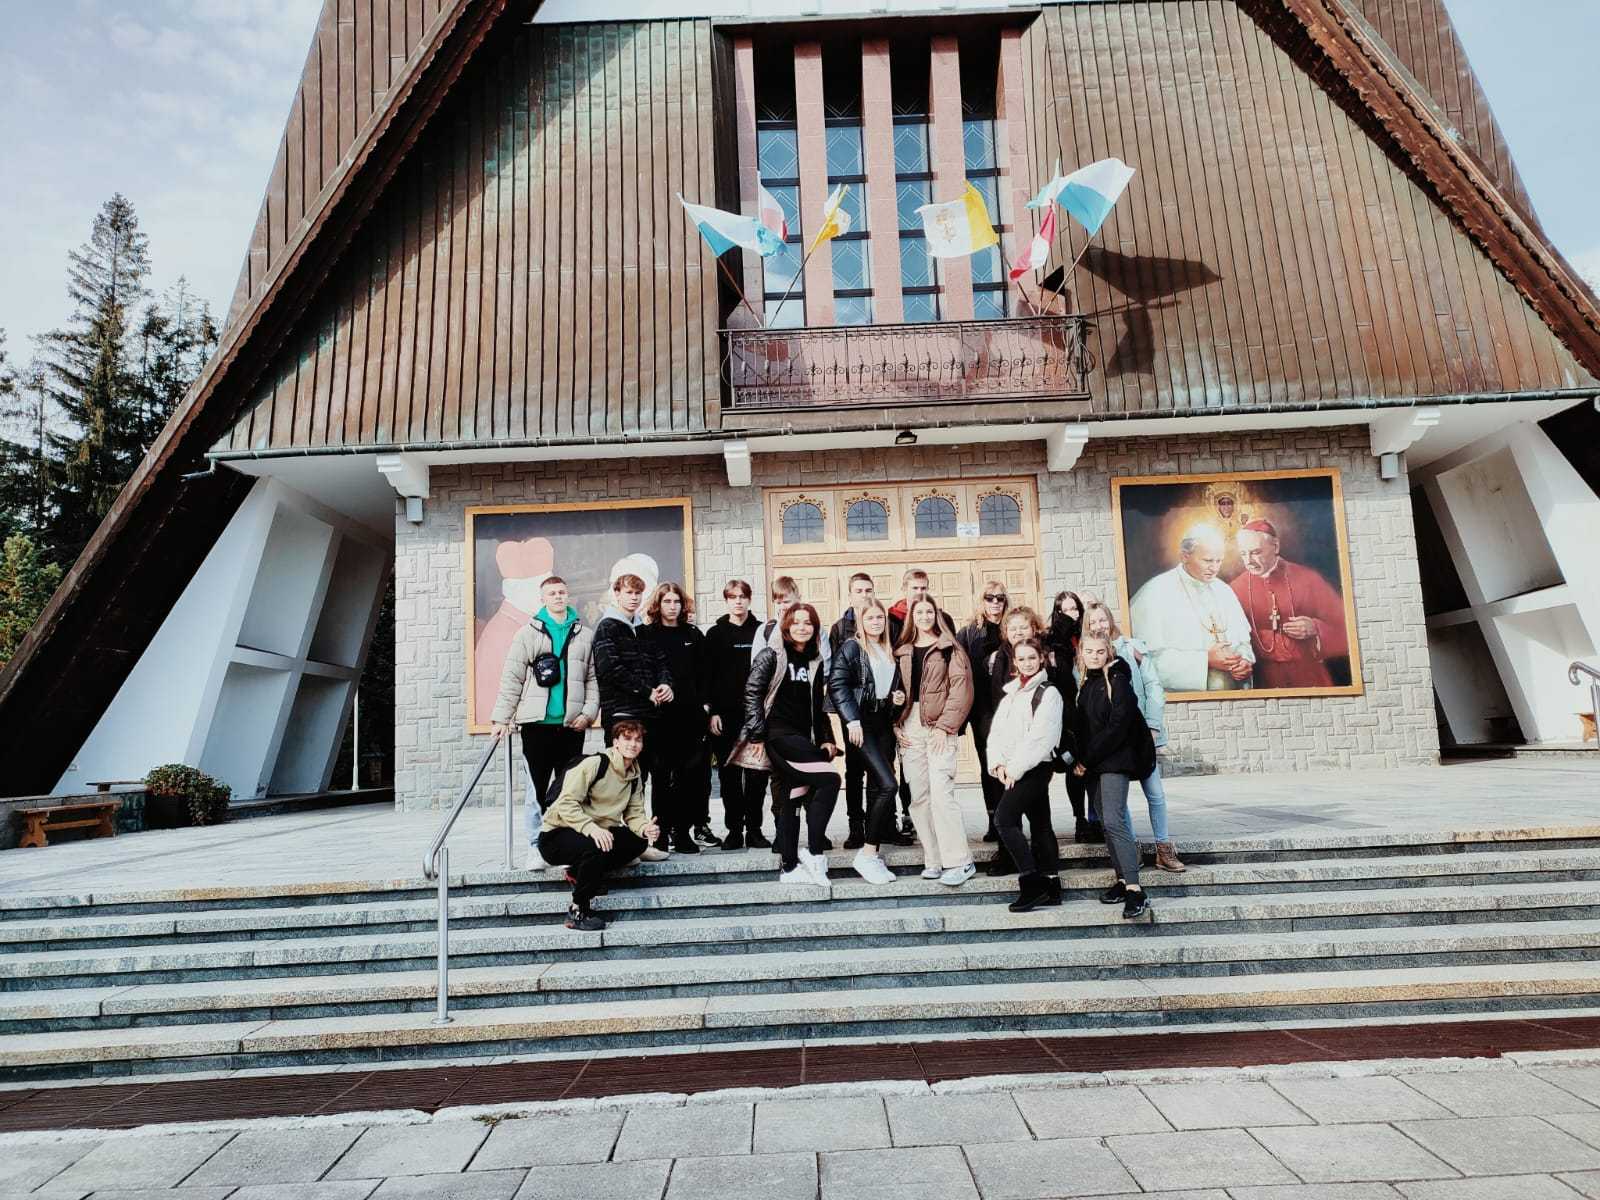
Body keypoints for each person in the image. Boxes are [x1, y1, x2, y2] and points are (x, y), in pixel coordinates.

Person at [489, 575, 599, 871]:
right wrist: (501, 718)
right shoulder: (527, 633)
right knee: (536, 789)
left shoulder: (585, 635)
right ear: (543, 598)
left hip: (571, 725)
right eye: (552, 593)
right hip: (536, 725)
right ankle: (535, 846)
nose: (558, 597)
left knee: (568, 790)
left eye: (562, 592)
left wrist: (588, 714)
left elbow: (593, 679)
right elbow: (512, 677)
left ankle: (561, 847)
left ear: (568, 595)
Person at [741, 603, 842, 887]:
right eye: (796, 622)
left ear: (815, 628)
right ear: (786, 626)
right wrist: (757, 735)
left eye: (808, 623)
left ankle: (789, 867)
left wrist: (827, 738)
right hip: (778, 735)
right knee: (830, 779)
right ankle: (814, 853)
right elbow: (752, 693)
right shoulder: (772, 655)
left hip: (802, 736)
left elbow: (817, 706)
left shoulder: (815, 660)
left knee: (793, 796)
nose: (802, 627)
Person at [1083, 602, 1184, 873]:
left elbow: (1153, 687)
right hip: (1114, 743)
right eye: (1093, 622)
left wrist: (1153, 725)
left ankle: (1163, 847)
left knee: (1155, 793)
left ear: (1110, 620)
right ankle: (1131, 847)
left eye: (1102, 620)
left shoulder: (1131, 649)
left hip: (1140, 734)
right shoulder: (1088, 655)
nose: (1099, 625)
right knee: (1119, 800)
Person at [537, 719, 657, 931]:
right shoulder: (595, 764)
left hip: (596, 833)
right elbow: (566, 803)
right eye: (627, 739)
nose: (633, 744)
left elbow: (634, 814)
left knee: (637, 842)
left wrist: (644, 828)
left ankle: (579, 872)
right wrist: (592, 829)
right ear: (616, 742)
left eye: (638, 740)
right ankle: (578, 910)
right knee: (595, 846)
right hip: (557, 835)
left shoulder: (634, 775)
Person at [1073, 634, 1157, 920]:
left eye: (1100, 651)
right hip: (1094, 764)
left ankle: (1135, 889)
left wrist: (1086, 759)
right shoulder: (1087, 683)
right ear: (1081, 653)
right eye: (1089, 651)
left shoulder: (1117, 678)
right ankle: (1122, 880)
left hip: (1114, 761)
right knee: (1105, 823)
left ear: (1108, 652)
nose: (1094, 656)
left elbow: (1118, 725)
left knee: (1114, 820)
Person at [591, 573, 674, 861]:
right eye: (628, 592)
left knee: (660, 777)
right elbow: (610, 669)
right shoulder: (607, 628)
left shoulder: (645, 630)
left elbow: (661, 663)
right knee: (623, 781)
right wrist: (646, 691)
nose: (634, 598)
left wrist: (666, 685)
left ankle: (657, 841)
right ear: (617, 594)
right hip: (622, 715)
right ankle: (626, 845)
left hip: (652, 717)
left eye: (638, 593)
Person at [895, 597, 976, 886]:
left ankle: (960, 861)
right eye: (919, 612)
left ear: (936, 614)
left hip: (940, 725)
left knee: (942, 794)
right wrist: (895, 723)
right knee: (919, 797)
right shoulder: (902, 650)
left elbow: (962, 690)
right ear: (911, 616)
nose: (924, 616)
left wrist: (945, 727)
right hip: (910, 727)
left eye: (929, 611)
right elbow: (894, 690)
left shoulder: (950, 648)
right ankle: (934, 859)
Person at [985, 636, 1065, 912]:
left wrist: (1014, 769)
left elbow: (1040, 738)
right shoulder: (1012, 693)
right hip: (1011, 769)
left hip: (1034, 767)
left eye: (1032, 657)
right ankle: (1052, 886)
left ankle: (1032, 884)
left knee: (1004, 819)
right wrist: (998, 764)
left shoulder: (1049, 693)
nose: (1027, 663)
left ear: (1041, 658)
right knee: (1041, 823)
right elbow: (996, 733)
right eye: (1021, 659)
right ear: (1014, 663)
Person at [828, 599, 902, 885]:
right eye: (870, 618)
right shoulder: (852, 647)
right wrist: (851, 720)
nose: (876, 622)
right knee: (889, 784)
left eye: (880, 617)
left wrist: (896, 700)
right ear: (861, 621)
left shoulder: (888, 648)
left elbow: (887, 686)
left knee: (877, 788)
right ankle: (867, 853)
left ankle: (873, 852)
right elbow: (837, 684)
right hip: (862, 723)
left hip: (883, 722)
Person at [1128, 524, 1255, 691]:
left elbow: (1243, 642)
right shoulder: (1155, 592)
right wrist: (1205, 660)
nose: (1214, 568)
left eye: (1219, 561)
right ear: (1185, 556)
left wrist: (1244, 661)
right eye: (1208, 561)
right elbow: (1145, 660)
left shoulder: (1224, 591)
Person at [1230, 519, 1350, 689]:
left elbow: (1347, 629)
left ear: (1275, 547)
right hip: (1261, 679)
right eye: (1243, 554)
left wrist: (1316, 628)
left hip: (1308, 675)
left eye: (1256, 552)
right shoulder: (1235, 588)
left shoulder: (1308, 579)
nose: (1248, 561)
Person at [641, 583, 713, 855]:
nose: (672, 606)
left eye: (676, 602)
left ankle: (682, 833)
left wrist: (705, 705)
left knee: (687, 777)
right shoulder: (646, 634)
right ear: (658, 604)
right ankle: (660, 835)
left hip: (690, 717)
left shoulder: (693, 634)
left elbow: (706, 674)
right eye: (667, 601)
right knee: (660, 777)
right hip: (659, 718)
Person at [705, 580, 770, 849]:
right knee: (729, 776)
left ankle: (754, 830)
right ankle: (734, 830)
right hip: (726, 716)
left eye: (742, 596)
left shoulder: (762, 631)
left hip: (756, 715)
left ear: (749, 599)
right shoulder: (715, 634)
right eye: (733, 597)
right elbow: (707, 677)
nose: (738, 601)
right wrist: (713, 712)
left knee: (757, 776)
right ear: (726, 601)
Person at [829, 572, 880, 850]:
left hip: (879, 712)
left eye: (868, 590)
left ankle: (880, 824)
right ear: (850, 595)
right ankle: (855, 827)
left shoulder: (883, 622)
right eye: (858, 591)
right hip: (853, 713)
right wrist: (848, 716)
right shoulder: (840, 628)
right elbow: (836, 675)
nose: (864, 595)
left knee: (880, 769)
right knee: (854, 769)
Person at [957, 581, 1010, 846]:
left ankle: (1010, 819)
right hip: (982, 709)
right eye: (990, 598)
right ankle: (994, 820)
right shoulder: (968, 633)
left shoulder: (1012, 627)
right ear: (982, 600)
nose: (995, 602)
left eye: (1000, 597)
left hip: (1010, 707)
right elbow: (957, 669)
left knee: (1011, 764)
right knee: (989, 765)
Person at [1044, 592, 1094, 843]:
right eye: (1065, 610)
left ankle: (1091, 819)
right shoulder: (1052, 642)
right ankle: (1079, 818)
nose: (1071, 614)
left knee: (1087, 767)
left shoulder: (1086, 637)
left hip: (1090, 711)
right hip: (1067, 715)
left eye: (1074, 609)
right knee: (1071, 765)